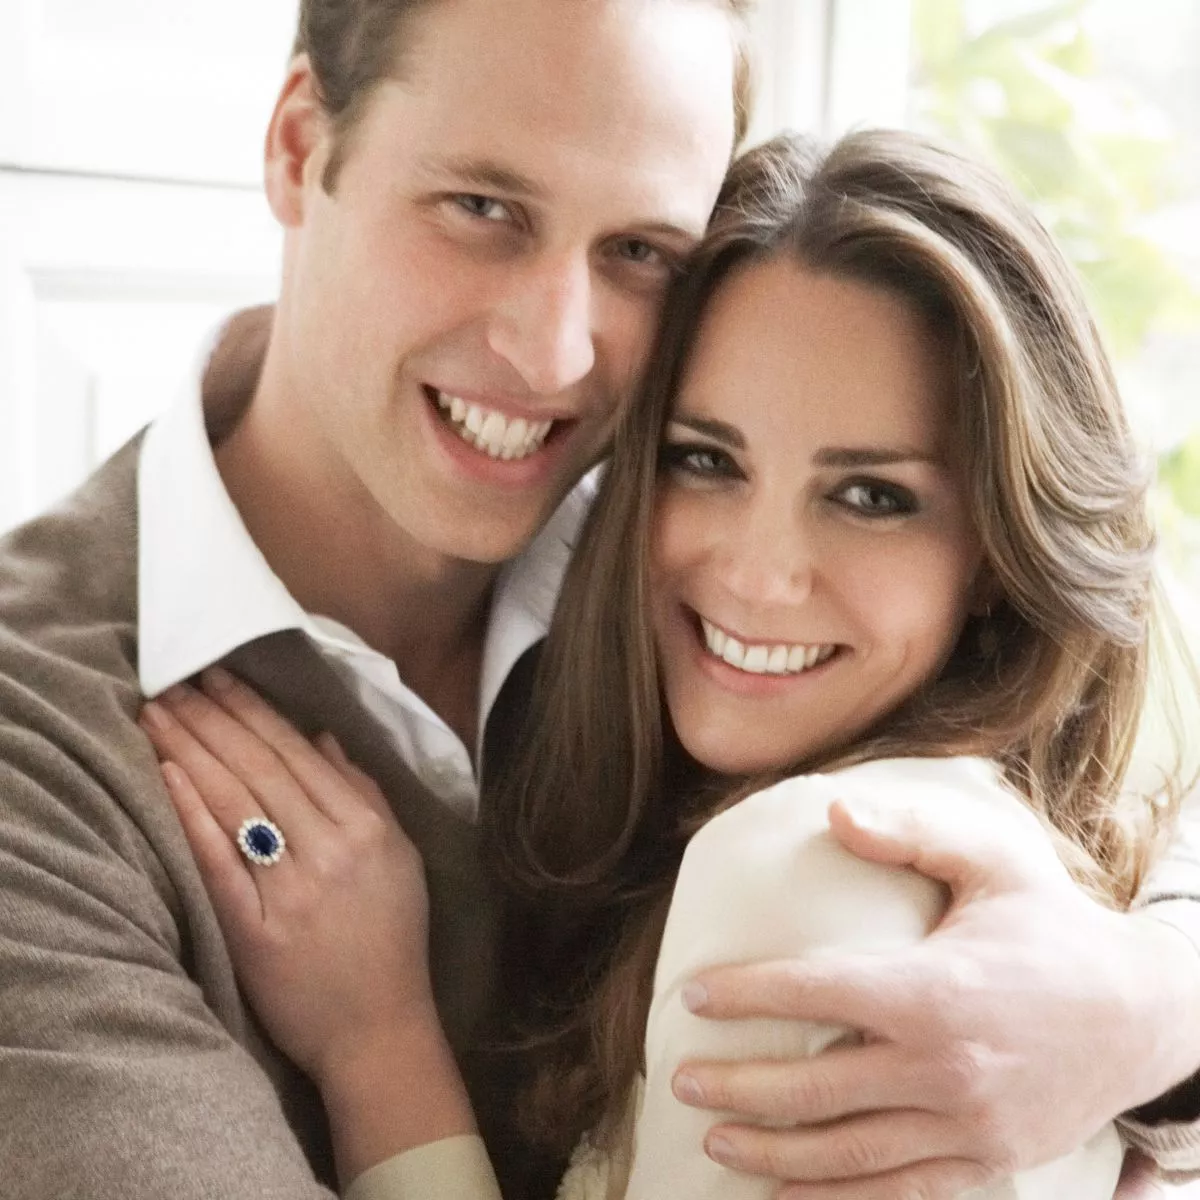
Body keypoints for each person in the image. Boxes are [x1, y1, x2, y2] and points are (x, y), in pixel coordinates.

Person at [0, 0, 1197, 1196]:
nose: (553, 352)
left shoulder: (703, 577)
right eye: (483, 209)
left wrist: (1142, 1008)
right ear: (301, 143)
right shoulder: (39, 754)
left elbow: (1136, 688)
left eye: (639, 252)